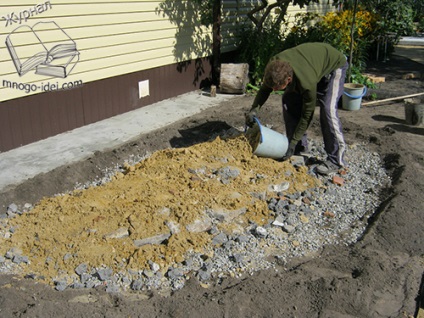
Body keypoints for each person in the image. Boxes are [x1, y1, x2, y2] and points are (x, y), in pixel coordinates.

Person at [245, 42, 348, 175]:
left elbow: (307, 115)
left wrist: (292, 142)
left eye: (277, 88)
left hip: (334, 66)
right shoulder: (273, 68)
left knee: (328, 110)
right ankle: (299, 149)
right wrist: (254, 110)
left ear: (288, 79)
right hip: (311, 65)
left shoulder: (307, 83)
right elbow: (265, 89)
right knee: (289, 100)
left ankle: (336, 160)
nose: (274, 90)